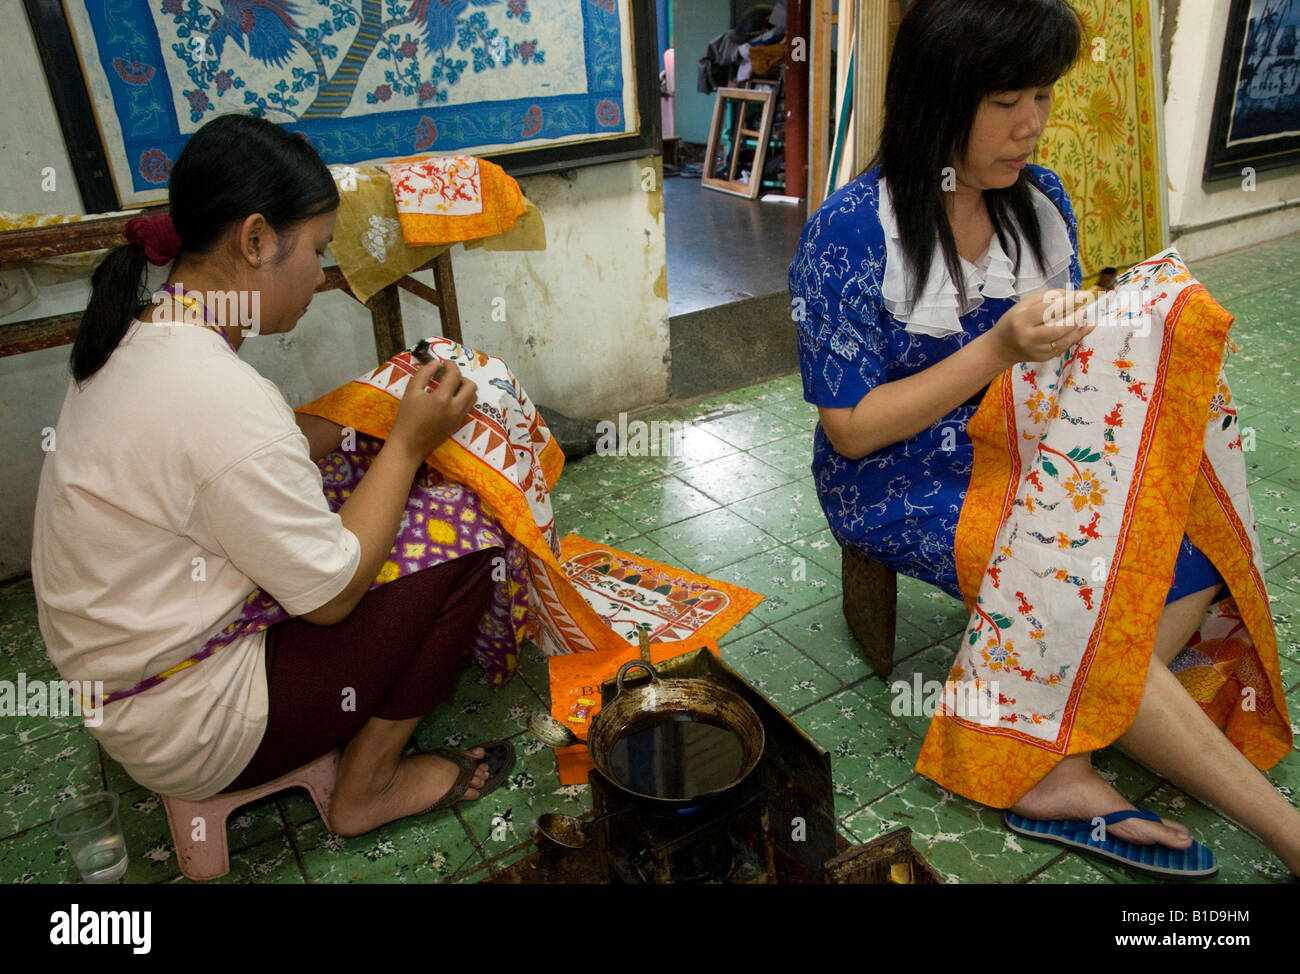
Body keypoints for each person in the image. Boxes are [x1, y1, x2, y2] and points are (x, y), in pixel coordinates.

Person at [790, 0, 1299, 875]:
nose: (1032, 126)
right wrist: (995, 347)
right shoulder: (849, 232)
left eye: (1042, 96)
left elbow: (1062, 352)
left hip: (1024, 438)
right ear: (935, 99)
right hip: (896, 472)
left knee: (1191, 539)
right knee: (1081, 579)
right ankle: (1284, 832)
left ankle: (1057, 748)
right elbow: (852, 429)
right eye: (1005, 102)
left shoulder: (1040, 201)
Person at [31, 113, 516, 837]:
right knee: (470, 525)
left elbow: (250, 459)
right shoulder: (217, 395)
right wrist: (409, 443)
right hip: (192, 724)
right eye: (318, 250)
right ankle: (369, 786)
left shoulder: (144, 335)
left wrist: (375, 413)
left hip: (133, 681)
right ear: (256, 240)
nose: (321, 275)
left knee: (355, 463)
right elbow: (331, 597)